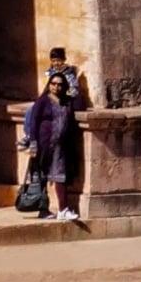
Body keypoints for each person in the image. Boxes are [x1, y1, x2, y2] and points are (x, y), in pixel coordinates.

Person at [41, 45, 92, 226]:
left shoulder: (68, 80)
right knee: (42, 175)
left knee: (59, 175)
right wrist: (32, 140)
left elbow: (75, 97)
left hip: (59, 141)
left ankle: (62, 209)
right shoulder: (45, 98)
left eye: (58, 60)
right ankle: (44, 208)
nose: (56, 63)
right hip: (44, 141)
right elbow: (37, 113)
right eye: (53, 61)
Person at [17, 80, 68, 221]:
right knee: (39, 177)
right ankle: (42, 209)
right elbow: (32, 123)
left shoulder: (63, 101)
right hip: (40, 146)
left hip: (55, 146)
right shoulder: (41, 102)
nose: (56, 87)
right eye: (53, 83)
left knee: (54, 176)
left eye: (59, 84)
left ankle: (53, 209)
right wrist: (33, 144)